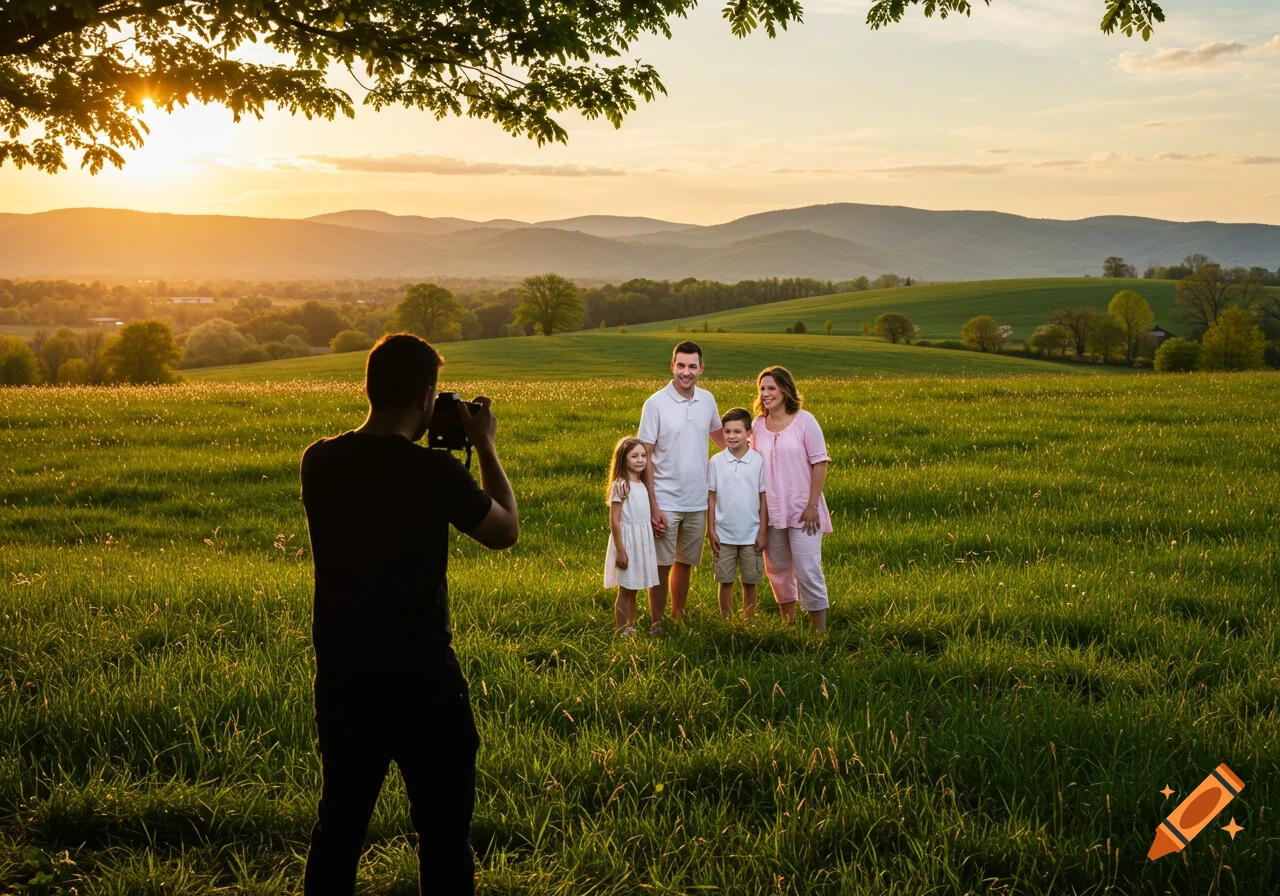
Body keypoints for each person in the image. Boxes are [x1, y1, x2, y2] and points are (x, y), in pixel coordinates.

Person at [299, 333, 519, 896]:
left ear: (367, 387)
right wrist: (485, 446)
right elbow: (504, 531)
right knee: (444, 837)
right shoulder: (435, 474)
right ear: (426, 398)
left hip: (345, 680)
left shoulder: (320, 461)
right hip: (425, 680)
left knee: (339, 829)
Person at [638, 340, 726, 635]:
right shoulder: (655, 404)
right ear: (671, 366)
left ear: (701, 369)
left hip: (697, 499)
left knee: (685, 563)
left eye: (692, 366)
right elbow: (644, 457)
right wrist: (653, 506)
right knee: (661, 565)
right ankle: (656, 623)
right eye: (680, 365)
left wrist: (754, 454)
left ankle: (678, 617)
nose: (685, 372)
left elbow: (721, 438)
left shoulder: (708, 400)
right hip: (664, 500)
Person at [751, 366, 831, 631]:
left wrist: (812, 506)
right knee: (778, 571)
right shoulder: (757, 425)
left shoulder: (805, 420)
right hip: (772, 511)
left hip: (803, 510)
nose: (766, 394)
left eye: (772, 388)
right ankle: (789, 626)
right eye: (762, 389)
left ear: (785, 390)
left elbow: (820, 462)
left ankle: (819, 632)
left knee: (808, 569)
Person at [707, 407, 768, 620]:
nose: (731, 436)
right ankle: (726, 621)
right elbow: (712, 498)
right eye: (727, 431)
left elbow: (763, 497)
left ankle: (748, 620)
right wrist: (711, 529)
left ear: (749, 433)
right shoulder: (715, 462)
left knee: (750, 581)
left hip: (751, 534)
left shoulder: (758, 461)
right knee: (725, 580)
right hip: (724, 534)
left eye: (737, 431)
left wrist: (762, 531)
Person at [604, 436, 660, 637]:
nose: (640, 460)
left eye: (643, 455)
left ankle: (631, 625)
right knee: (625, 589)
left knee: (634, 586)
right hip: (627, 542)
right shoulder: (621, 485)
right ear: (623, 459)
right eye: (634, 456)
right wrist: (620, 550)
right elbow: (615, 521)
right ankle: (621, 629)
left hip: (641, 541)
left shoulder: (641, 483)